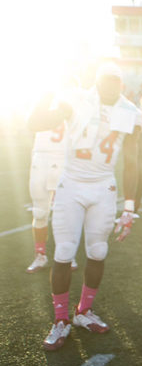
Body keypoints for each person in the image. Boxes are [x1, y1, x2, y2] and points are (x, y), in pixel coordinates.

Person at [29, 63, 142, 351]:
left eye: (116, 81)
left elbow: (133, 161)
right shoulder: (77, 100)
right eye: (106, 80)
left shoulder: (130, 111)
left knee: (98, 251)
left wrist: (129, 207)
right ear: (96, 81)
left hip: (103, 186)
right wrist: (47, 91)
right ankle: (60, 319)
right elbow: (35, 123)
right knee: (65, 251)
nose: (110, 85)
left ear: (121, 83)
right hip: (72, 183)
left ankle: (83, 312)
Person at [26, 115, 69, 273]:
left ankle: (66, 253)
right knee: (39, 212)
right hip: (41, 158)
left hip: (64, 157)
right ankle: (40, 254)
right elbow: (30, 123)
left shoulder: (75, 98)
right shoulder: (42, 98)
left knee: (65, 212)